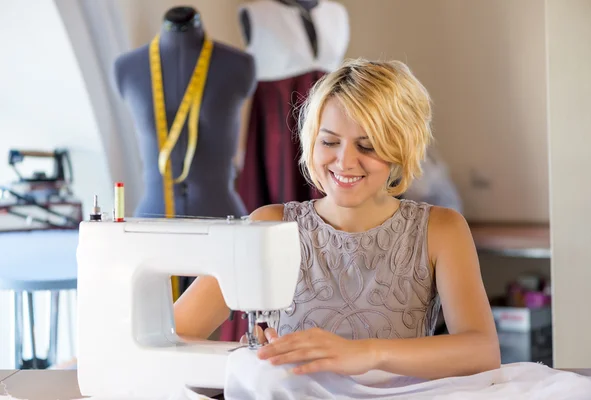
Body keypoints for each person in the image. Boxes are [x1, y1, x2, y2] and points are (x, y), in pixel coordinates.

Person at [173, 58, 501, 380]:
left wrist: (369, 353)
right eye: (329, 141)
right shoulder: (270, 226)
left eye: (367, 146)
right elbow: (176, 333)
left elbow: (482, 350)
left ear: (400, 147)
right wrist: (248, 359)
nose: (344, 161)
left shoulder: (441, 230)